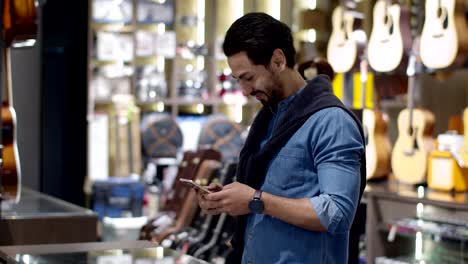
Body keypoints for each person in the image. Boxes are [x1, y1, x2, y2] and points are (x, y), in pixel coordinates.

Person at [196, 12, 366, 264]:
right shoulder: (269, 118)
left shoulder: (331, 121)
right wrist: (227, 199)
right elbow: (267, 197)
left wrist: (255, 200)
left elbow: (337, 213)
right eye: (238, 80)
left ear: (278, 60)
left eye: (248, 77)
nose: (244, 90)